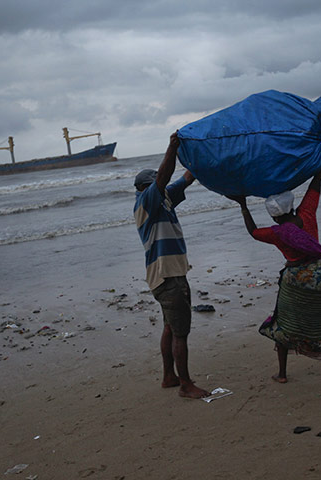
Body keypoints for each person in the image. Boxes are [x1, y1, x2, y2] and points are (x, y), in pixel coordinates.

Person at [228, 168, 321, 383]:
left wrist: (243, 205)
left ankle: (282, 374)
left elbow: (253, 232)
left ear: (273, 215)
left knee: (283, 323)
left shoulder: (276, 233)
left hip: (296, 280)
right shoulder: (307, 213)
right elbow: (316, 182)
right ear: (291, 206)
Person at [133, 132, 209, 399]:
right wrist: (172, 147)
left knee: (169, 327)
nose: (160, 183)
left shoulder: (163, 200)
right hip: (169, 277)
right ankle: (186, 385)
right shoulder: (146, 201)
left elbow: (186, 178)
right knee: (180, 333)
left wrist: (201, 151)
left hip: (165, 276)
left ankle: (169, 377)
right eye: (155, 182)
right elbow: (165, 177)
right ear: (146, 187)